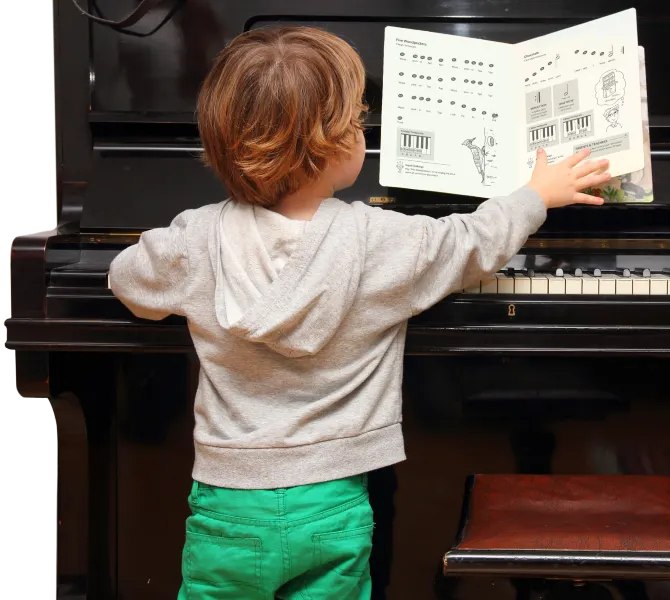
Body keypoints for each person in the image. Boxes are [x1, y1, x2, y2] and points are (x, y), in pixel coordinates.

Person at [108, 26, 610, 600]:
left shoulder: (194, 238)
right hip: (335, 499)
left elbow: (128, 282)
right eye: (356, 124)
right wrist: (535, 194)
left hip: (229, 501)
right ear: (330, 145)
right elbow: (471, 241)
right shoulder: (379, 239)